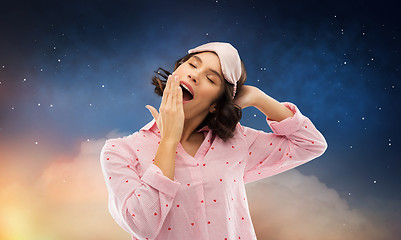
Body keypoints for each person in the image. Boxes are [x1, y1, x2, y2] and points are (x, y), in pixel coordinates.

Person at [100, 42, 328, 240]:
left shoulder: (237, 142)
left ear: (215, 104)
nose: (194, 75)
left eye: (211, 78)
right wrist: (168, 140)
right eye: (192, 65)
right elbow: (142, 225)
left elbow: (311, 143)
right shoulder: (120, 151)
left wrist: (259, 98)